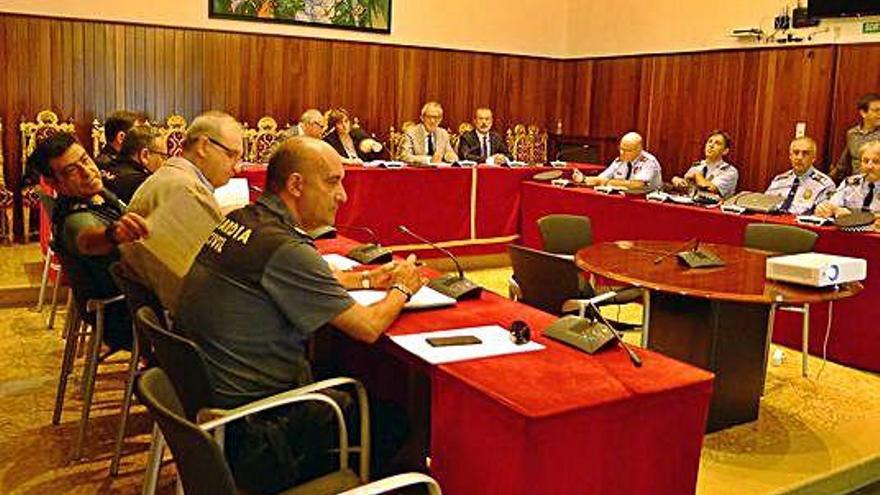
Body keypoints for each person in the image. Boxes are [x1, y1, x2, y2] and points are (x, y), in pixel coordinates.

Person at [176, 136, 426, 493]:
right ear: (295, 185)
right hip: (258, 432)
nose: (342, 195)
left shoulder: (245, 221)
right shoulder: (285, 247)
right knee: (399, 418)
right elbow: (368, 328)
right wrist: (402, 287)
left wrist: (370, 278)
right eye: (332, 182)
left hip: (213, 416)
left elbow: (295, 279)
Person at [27, 132, 148, 351]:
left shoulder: (95, 194)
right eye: (72, 170)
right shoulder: (75, 218)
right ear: (56, 184)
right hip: (125, 317)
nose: (87, 172)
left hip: (128, 303)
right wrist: (113, 234)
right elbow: (87, 240)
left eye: (84, 160)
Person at [121, 111, 243, 315]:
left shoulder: (171, 177)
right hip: (188, 328)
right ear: (204, 146)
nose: (237, 168)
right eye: (231, 155)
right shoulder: (185, 190)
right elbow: (216, 280)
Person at [764, 136, 835, 215]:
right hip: (772, 223)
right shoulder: (779, 180)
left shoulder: (825, 185)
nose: (799, 157)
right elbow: (764, 205)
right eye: (796, 152)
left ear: (814, 158)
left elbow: (822, 215)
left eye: (805, 153)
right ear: (790, 156)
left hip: (800, 226)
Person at [817, 141, 880, 222]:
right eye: (865, 161)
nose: (869, 166)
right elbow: (832, 205)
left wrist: (853, 215)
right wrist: (825, 209)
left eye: (876, 161)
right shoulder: (850, 183)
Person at [575, 131, 662, 190]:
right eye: (621, 148)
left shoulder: (648, 162)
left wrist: (607, 182)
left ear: (639, 149)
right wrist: (584, 179)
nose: (622, 153)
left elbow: (637, 185)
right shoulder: (619, 161)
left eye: (627, 150)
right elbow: (601, 178)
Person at [103, 125, 168, 203]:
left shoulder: (105, 168)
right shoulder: (144, 183)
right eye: (163, 156)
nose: (165, 162)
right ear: (145, 155)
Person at [670, 130, 738, 198]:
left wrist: (697, 175)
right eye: (710, 142)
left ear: (725, 151)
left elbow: (711, 189)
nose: (711, 145)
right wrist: (677, 182)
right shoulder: (697, 166)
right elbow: (687, 189)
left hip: (714, 207)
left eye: (717, 143)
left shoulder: (730, 171)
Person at [830, 93, 880, 184]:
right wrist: (828, 180)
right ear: (863, 113)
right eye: (876, 111)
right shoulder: (852, 134)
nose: (879, 114)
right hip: (856, 185)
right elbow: (843, 163)